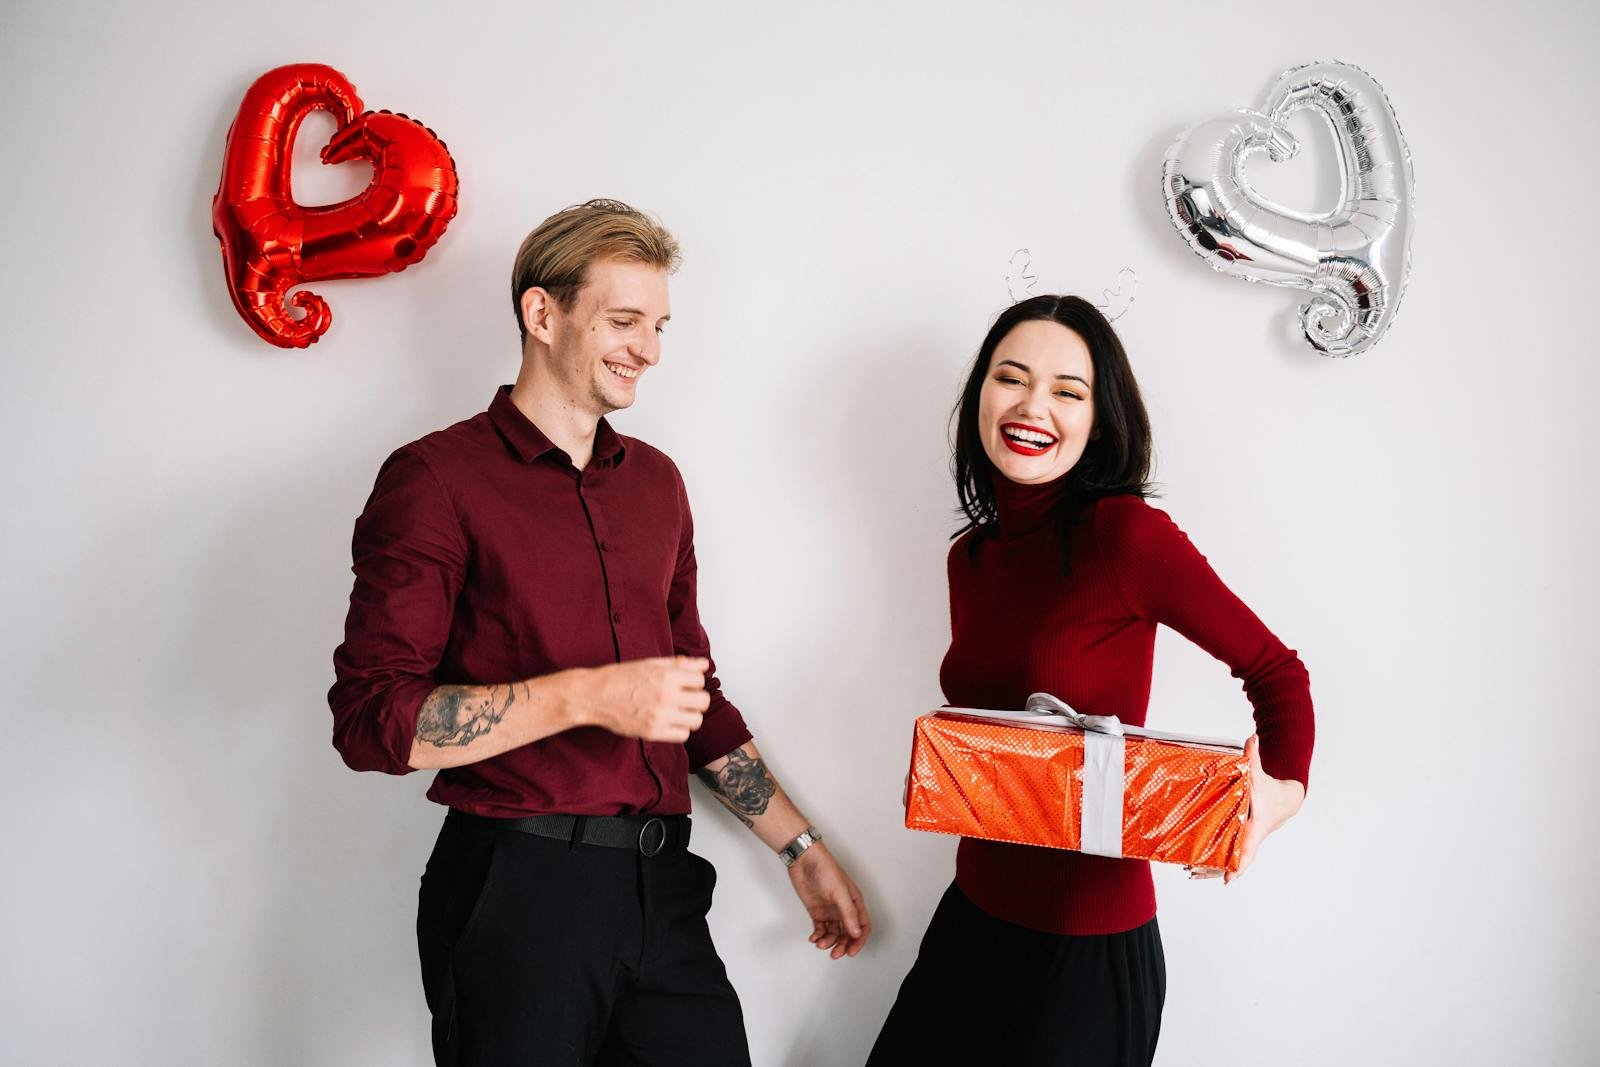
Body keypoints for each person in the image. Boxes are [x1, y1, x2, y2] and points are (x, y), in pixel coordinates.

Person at [329, 199, 870, 1066]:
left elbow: (696, 696)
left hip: (664, 889)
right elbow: (370, 721)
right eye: (624, 319)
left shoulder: (658, 485)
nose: (648, 349)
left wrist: (800, 849)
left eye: (658, 325)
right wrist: (587, 694)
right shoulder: (433, 478)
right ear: (543, 314)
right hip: (518, 892)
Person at [869, 295, 1314, 1066]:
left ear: (1100, 420)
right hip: (970, 919)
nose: (1033, 405)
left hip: (1084, 954)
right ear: (980, 395)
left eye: (1068, 391)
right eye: (1011, 378)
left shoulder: (1124, 535)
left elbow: (1277, 672)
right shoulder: (970, 557)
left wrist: (1279, 796)